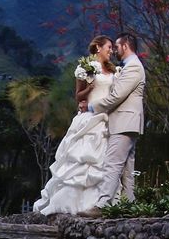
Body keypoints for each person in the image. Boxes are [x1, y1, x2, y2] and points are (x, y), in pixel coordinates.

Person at [32, 35, 118, 215]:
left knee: (106, 160)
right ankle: (73, 203)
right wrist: (90, 88)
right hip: (88, 117)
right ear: (98, 48)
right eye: (109, 47)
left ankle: (104, 203)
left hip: (106, 119)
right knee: (81, 160)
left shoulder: (114, 71)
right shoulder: (85, 68)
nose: (111, 50)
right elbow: (78, 96)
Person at [79, 32, 145, 218]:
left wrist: (91, 107)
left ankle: (102, 204)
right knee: (126, 169)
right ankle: (129, 205)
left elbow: (117, 97)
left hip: (125, 122)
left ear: (125, 46)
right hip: (127, 122)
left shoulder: (133, 67)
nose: (115, 50)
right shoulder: (130, 67)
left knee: (112, 164)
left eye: (117, 46)